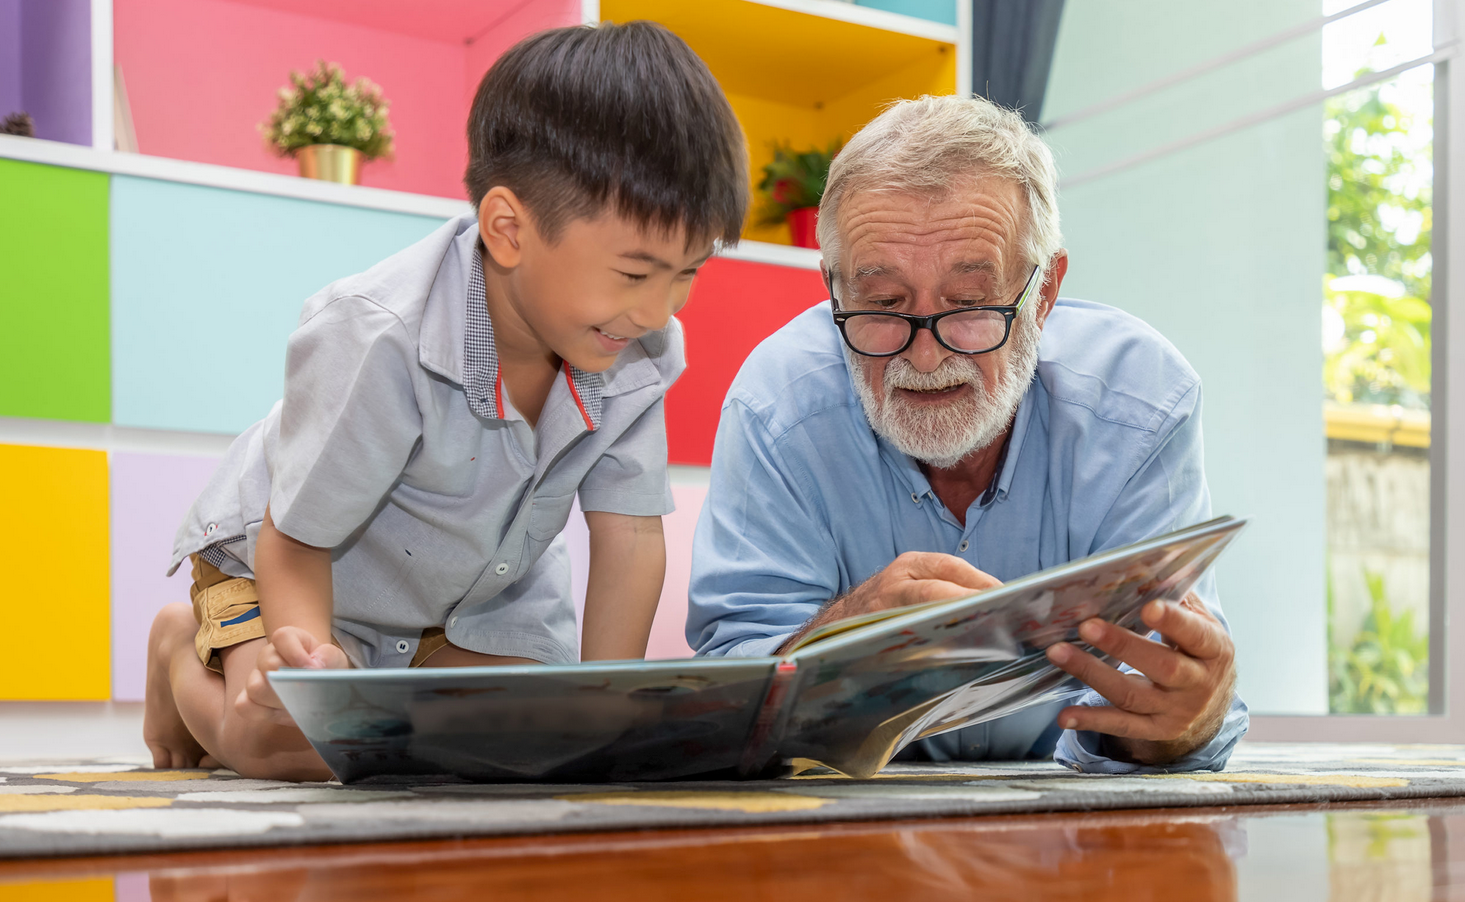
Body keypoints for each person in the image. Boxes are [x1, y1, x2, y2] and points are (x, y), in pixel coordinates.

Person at [143, 21, 748, 780]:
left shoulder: (641, 350)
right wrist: (314, 668)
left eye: (685, 274)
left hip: (472, 601)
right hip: (288, 565)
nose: (659, 311)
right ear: (507, 230)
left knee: (526, 746)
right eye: (634, 274)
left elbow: (629, 538)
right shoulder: (379, 336)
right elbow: (296, 540)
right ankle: (178, 657)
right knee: (307, 751)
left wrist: (604, 710)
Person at [687, 94, 1247, 773]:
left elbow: (1164, 693)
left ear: (1042, 294)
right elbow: (722, 700)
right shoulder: (776, 406)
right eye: (883, 305)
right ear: (833, 290)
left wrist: (1183, 721)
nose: (924, 357)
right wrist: (837, 638)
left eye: (969, 304)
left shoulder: (1139, 405)